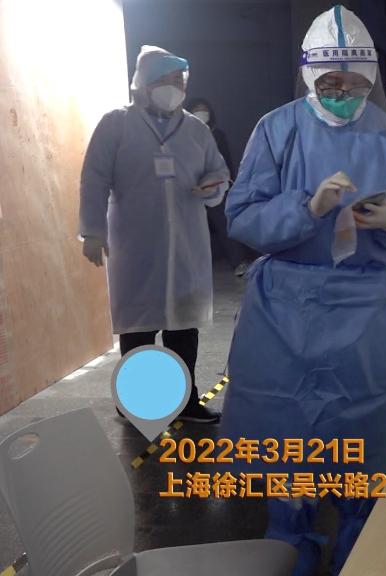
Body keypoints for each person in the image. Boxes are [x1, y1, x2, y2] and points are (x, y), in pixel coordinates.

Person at [219, 6, 386, 573]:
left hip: (369, 314)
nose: (343, 94)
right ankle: (289, 547)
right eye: (330, 84)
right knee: (289, 450)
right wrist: (306, 207)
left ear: (371, 79)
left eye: (355, 84)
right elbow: (242, 214)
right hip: (285, 314)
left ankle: (359, 553)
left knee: (368, 448)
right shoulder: (277, 129)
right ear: (309, 77)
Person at [79, 45, 228, 424]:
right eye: (164, 79)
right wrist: (92, 230)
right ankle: (139, 405)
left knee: (183, 329)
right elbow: (94, 178)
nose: (173, 87)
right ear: (143, 83)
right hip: (136, 245)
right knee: (139, 329)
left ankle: (185, 402)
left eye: (179, 80)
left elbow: (219, 171)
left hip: (187, 245)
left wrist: (213, 186)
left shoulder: (195, 130)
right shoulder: (116, 124)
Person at [186, 97, 254, 278]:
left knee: (223, 221)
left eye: (204, 109)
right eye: (197, 109)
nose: (201, 112)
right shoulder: (183, 134)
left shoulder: (216, 134)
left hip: (213, 186)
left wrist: (224, 184)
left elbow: (223, 166)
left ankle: (239, 261)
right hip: (188, 189)